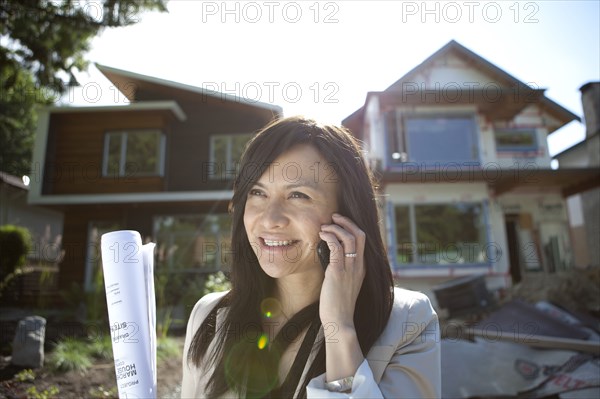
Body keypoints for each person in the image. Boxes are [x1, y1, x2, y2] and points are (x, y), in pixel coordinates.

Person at [181, 116, 441, 398]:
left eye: (298, 195)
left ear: (347, 212)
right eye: (257, 192)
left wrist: (339, 327)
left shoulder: (407, 321)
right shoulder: (209, 315)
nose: (270, 219)